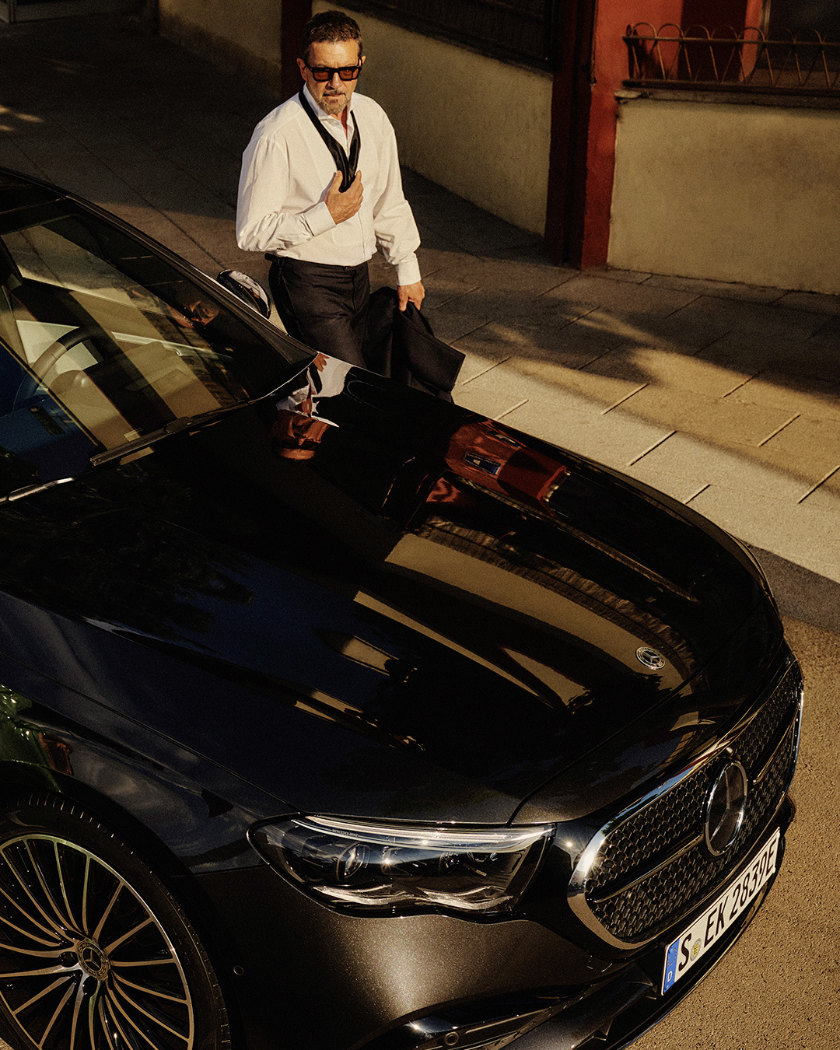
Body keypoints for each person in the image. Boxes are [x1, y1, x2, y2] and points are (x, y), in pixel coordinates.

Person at [236, 10, 425, 367]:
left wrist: (407, 269)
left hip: (359, 278)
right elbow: (251, 232)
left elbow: (389, 200)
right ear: (303, 68)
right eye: (323, 72)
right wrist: (324, 216)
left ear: (360, 64)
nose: (335, 83)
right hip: (308, 282)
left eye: (348, 71)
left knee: (356, 382)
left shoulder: (373, 117)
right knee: (349, 381)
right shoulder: (277, 134)